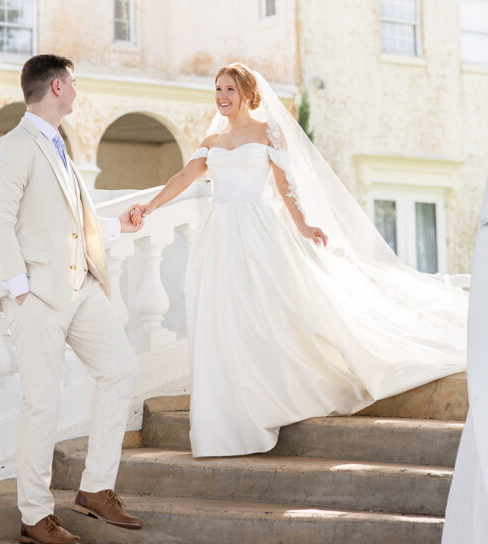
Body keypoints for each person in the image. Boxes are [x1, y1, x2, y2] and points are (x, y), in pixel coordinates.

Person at [135, 62, 467, 458]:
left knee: (267, 310)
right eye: (218, 89)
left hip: (256, 230)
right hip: (219, 235)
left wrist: (305, 226)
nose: (222, 97)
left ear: (247, 93)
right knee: (222, 315)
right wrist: (149, 206)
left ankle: (269, 392)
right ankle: (228, 412)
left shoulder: (267, 132)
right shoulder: (212, 140)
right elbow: (182, 179)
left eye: (229, 89)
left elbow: (285, 186)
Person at [0, 54, 145, 544]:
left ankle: (96, 489)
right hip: (37, 294)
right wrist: (20, 288)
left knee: (119, 369)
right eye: (73, 81)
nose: (77, 88)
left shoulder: (58, 144)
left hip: (81, 289)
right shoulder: (14, 146)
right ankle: (35, 515)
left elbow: (74, 220)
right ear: (56, 86)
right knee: (43, 402)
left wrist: (119, 226)